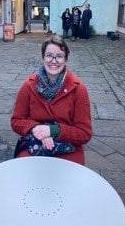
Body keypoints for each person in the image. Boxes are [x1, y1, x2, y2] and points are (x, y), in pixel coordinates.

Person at [11, 35, 92, 165]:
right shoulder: (28, 86)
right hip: (35, 143)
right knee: (24, 173)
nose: (53, 61)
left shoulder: (78, 89)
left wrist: (53, 131)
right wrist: (37, 130)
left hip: (67, 146)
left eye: (59, 56)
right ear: (43, 58)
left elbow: (84, 133)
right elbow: (16, 121)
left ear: (66, 59)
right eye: (49, 55)